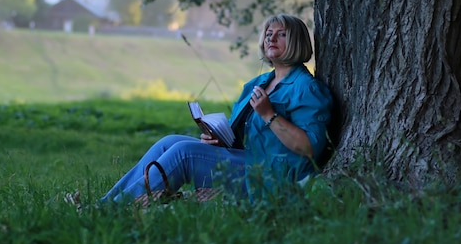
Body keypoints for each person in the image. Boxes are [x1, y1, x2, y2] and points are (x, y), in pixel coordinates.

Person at [75, 14, 333, 206]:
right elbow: (244, 142)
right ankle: (104, 203)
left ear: (297, 41)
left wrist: (269, 115)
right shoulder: (258, 84)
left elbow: (310, 148)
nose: (271, 38)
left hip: (274, 177)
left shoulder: (306, 88)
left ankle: (110, 211)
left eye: (281, 34)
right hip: (252, 162)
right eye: (268, 34)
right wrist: (220, 142)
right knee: (171, 142)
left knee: (185, 153)